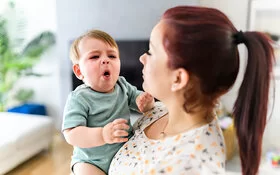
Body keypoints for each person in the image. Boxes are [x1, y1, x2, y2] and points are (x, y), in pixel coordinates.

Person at [109, 6, 275, 175]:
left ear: (178, 79)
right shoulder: (157, 112)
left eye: (151, 51)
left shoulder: (189, 166)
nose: (142, 58)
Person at [62, 29, 155, 175]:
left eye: (112, 56)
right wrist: (103, 135)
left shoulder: (122, 85)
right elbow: (71, 134)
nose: (105, 60)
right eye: (94, 57)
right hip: (91, 161)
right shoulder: (79, 98)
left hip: (125, 152)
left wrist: (145, 103)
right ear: (79, 71)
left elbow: (138, 99)